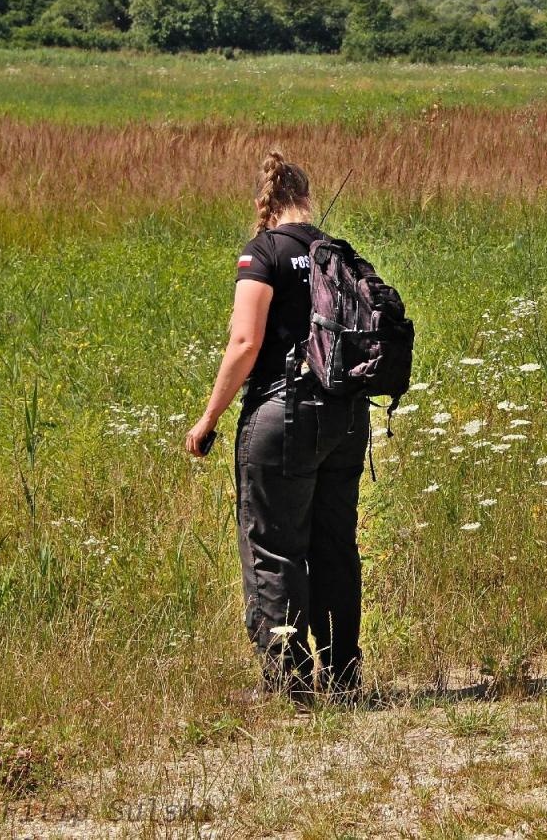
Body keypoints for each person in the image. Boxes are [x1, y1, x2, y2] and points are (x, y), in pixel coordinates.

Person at [185, 152, 369, 706]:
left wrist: (209, 417)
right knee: (335, 545)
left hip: (282, 412)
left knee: (273, 548)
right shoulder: (337, 253)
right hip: (345, 416)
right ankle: (342, 679)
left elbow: (246, 343)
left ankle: (288, 687)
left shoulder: (262, 252)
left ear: (263, 204)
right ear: (306, 197)